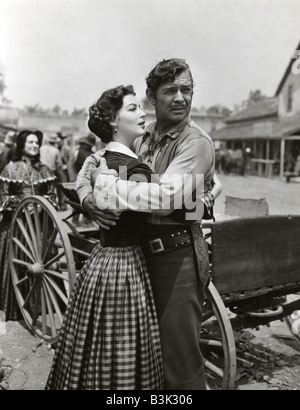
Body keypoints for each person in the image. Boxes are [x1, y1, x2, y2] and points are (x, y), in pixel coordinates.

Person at [76, 58, 217, 389]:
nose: (180, 97)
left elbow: (166, 198)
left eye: (187, 89)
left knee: (178, 361)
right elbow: (91, 165)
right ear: (152, 97)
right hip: (136, 259)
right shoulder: (140, 135)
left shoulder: (196, 143)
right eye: (170, 91)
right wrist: (89, 201)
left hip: (176, 258)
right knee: (142, 359)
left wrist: (108, 189)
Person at [45, 85, 163, 390]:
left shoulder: (102, 159)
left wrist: (88, 198)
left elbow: (84, 179)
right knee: (123, 339)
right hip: (124, 265)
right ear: (113, 120)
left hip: (102, 260)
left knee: (94, 339)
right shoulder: (134, 168)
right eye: (133, 108)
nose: (143, 113)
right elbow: (177, 204)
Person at [0, 130, 57, 321]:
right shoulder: (10, 168)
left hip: (38, 225)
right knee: (15, 256)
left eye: (36, 143)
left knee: (43, 259)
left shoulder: (45, 169)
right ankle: (16, 305)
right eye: (30, 142)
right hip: (17, 223)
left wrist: (41, 205)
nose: (34, 145)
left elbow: (53, 196)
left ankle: (39, 305)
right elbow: (3, 197)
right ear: (22, 145)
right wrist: (22, 203)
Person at [40, 134, 66, 210]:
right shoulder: (56, 150)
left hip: (40, 171)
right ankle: (56, 204)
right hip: (51, 172)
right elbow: (59, 164)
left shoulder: (41, 148)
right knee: (52, 188)